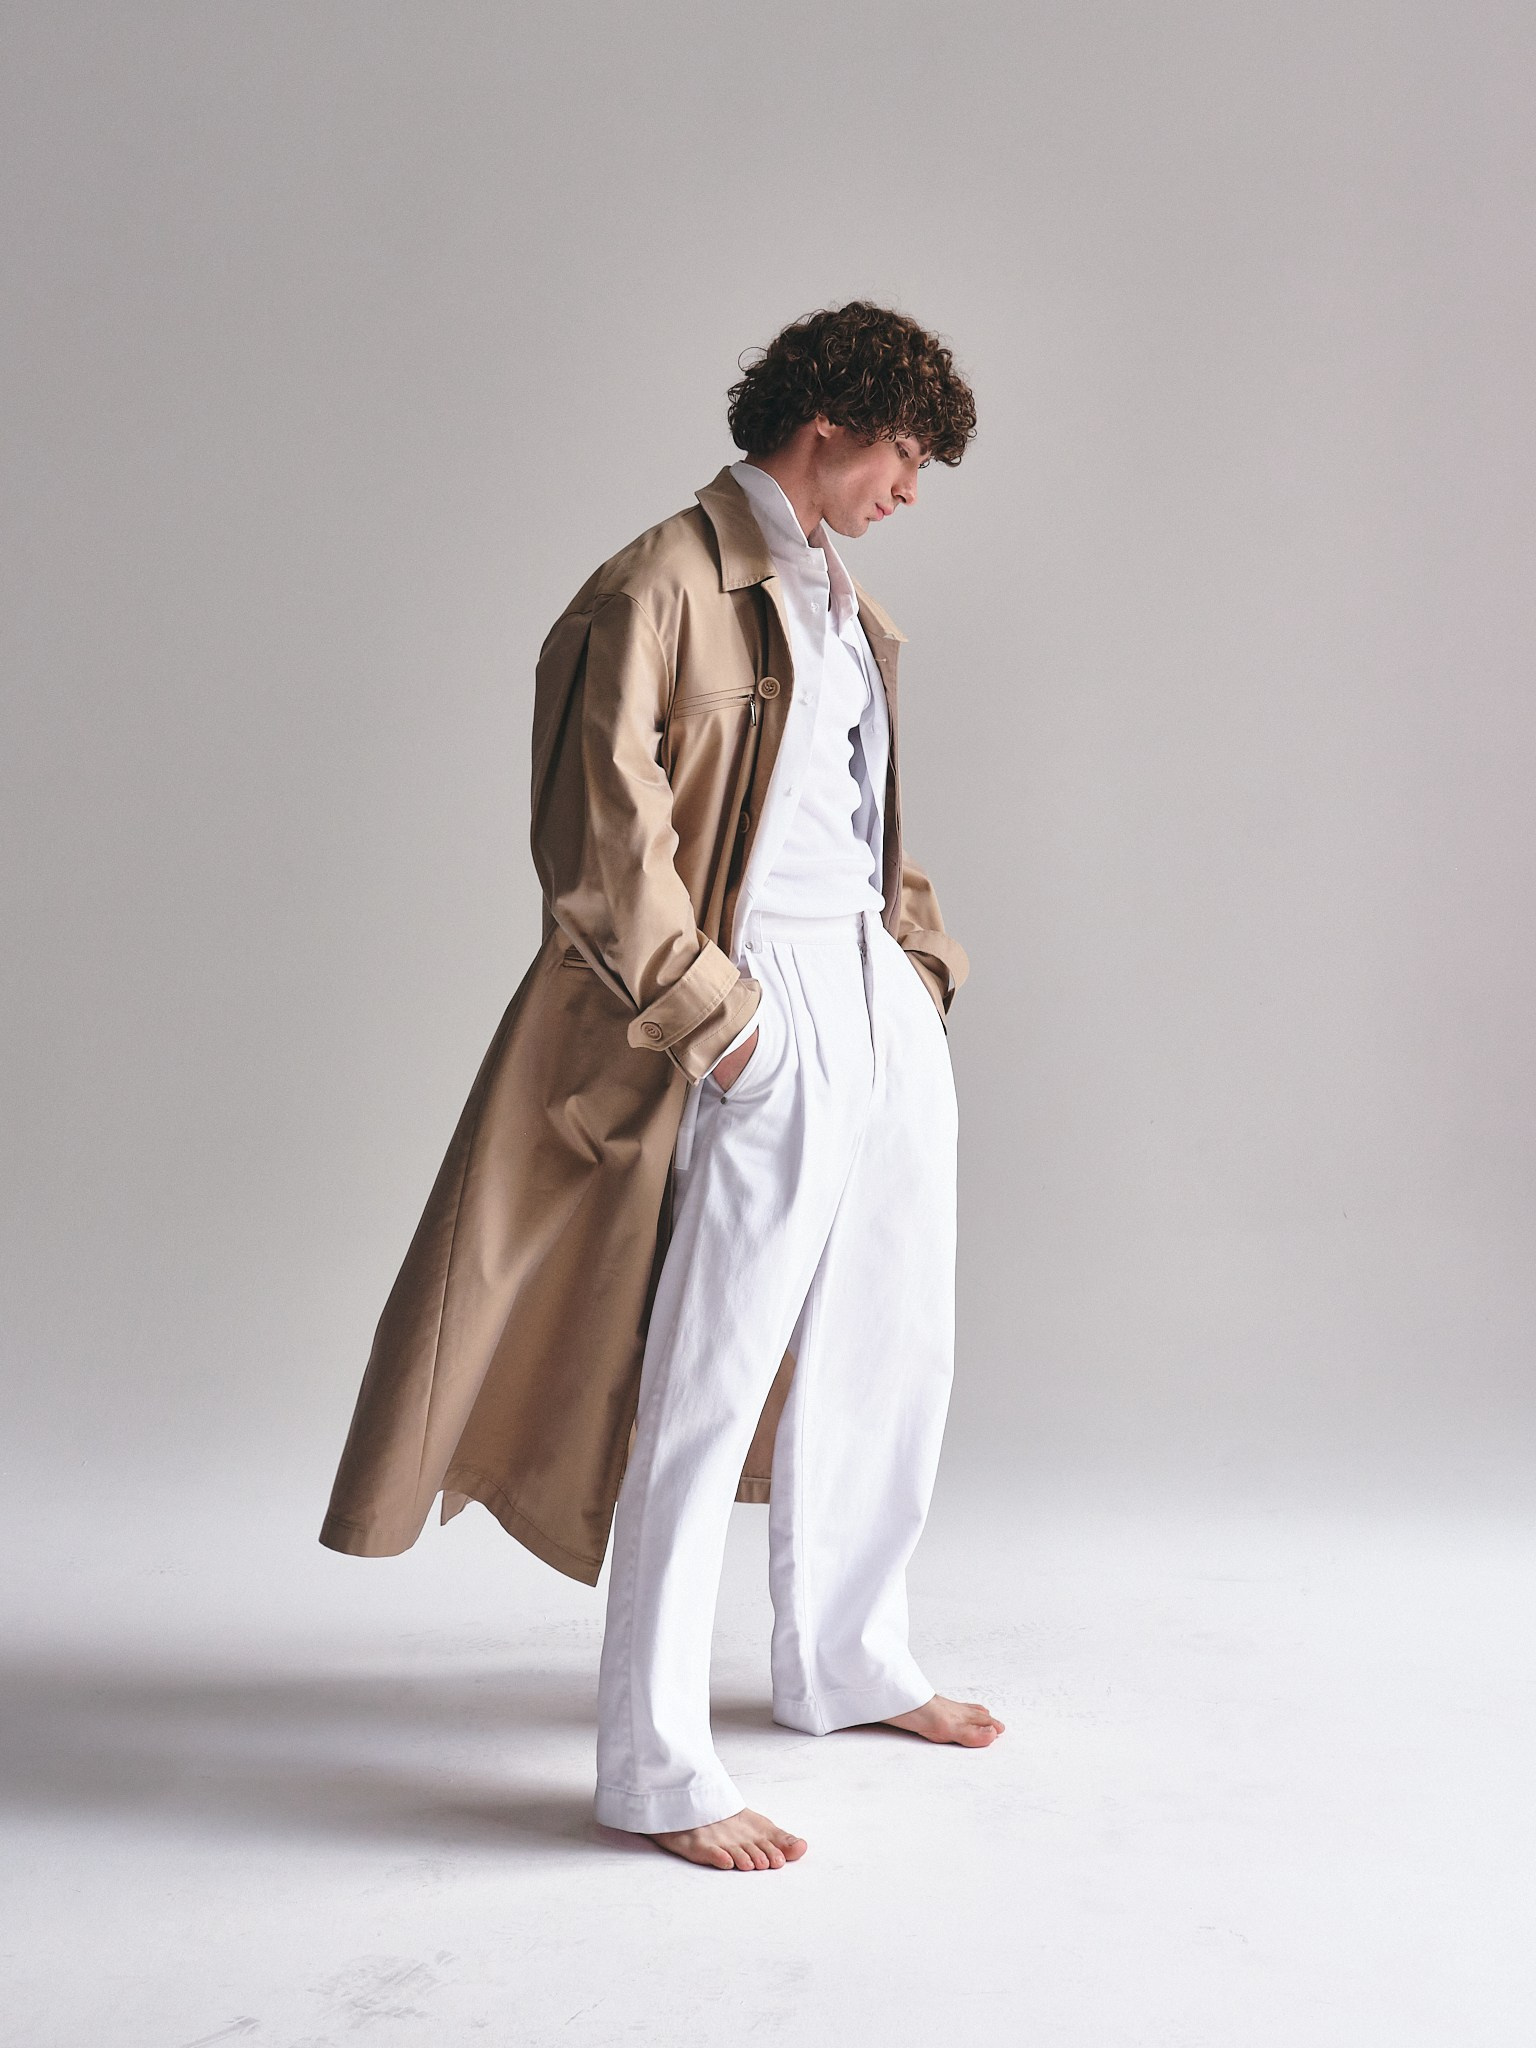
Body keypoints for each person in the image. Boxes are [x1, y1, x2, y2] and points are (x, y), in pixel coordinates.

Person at [318, 301, 1003, 1874]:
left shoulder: (841, 597)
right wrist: (728, 1026)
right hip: (757, 998)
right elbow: (597, 845)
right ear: (827, 427)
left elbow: (856, 811)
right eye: (905, 455)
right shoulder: (656, 588)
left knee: (892, 1338)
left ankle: (849, 1659)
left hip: (870, 996)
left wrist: (919, 966)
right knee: (707, 1378)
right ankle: (656, 1763)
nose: (912, 489)